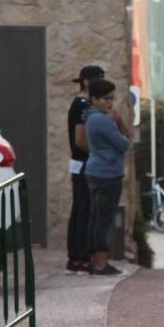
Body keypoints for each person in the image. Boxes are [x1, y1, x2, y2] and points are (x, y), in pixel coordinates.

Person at [83, 78, 131, 276]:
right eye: (105, 98)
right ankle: (101, 263)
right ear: (94, 99)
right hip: (107, 173)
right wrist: (119, 121)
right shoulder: (101, 120)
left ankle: (95, 261)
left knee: (96, 217)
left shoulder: (90, 117)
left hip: (96, 171)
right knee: (103, 219)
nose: (110, 103)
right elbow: (124, 144)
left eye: (111, 98)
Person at [66, 64, 104, 275]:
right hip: (83, 165)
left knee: (81, 209)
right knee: (83, 210)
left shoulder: (84, 104)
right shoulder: (82, 105)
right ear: (88, 82)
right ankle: (80, 257)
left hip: (82, 164)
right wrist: (100, 152)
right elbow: (80, 140)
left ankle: (78, 256)